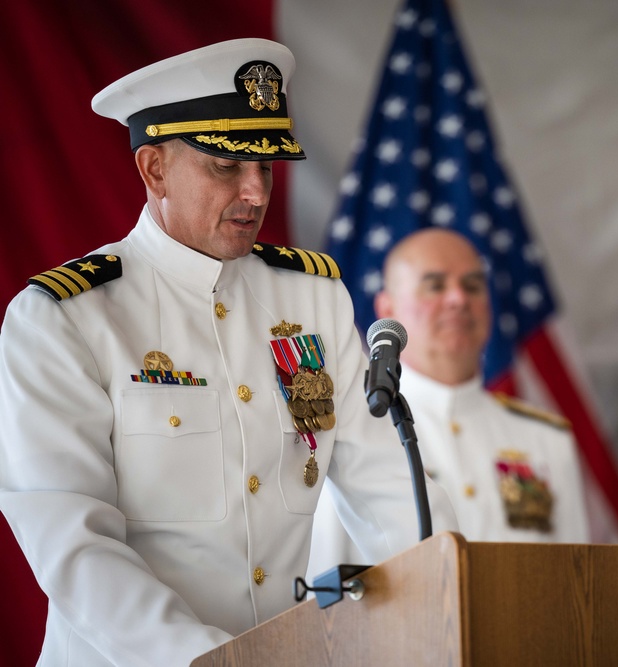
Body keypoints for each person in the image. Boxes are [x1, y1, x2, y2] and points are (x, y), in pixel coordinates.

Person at [0, 39, 457, 667]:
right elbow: (74, 548)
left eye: (266, 166)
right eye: (226, 165)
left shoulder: (313, 301)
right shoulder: (66, 318)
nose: (255, 192)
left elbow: (390, 491)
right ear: (154, 168)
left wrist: (453, 602)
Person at [308, 228, 589, 573]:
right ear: (387, 308)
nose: (458, 299)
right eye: (435, 285)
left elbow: (577, 580)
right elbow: (326, 588)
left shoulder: (547, 439)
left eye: (472, 286)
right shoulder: (351, 429)